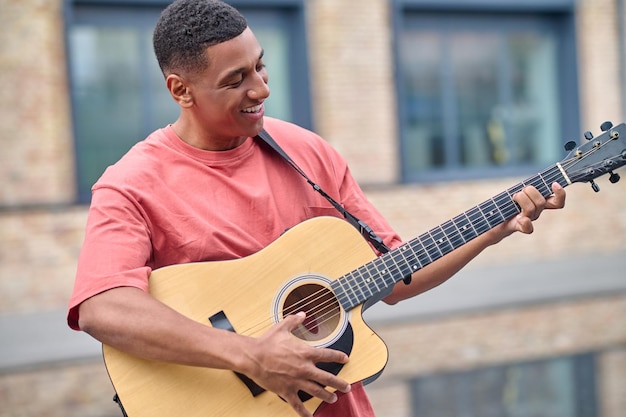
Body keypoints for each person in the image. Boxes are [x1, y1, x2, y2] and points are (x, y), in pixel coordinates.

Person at [67, 1, 566, 416]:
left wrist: (497, 225)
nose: (261, 89)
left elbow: (397, 274)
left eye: (260, 65)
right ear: (180, 89)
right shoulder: (131, 184)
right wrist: (251, 354)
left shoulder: (305, 151)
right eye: (236, 79)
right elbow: (102, 307)